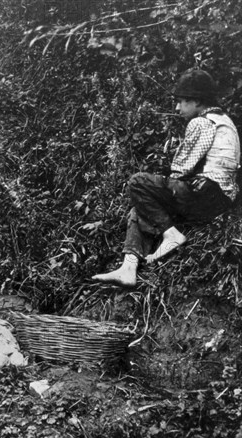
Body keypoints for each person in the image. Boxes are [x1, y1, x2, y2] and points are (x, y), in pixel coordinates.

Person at [92, 69, 240, 287]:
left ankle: (171, 235)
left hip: (205, 194)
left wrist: (163, 182)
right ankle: (128, 267)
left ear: (197, 101)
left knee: (138, 182)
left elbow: (181, 168)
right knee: (140, 207)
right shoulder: (224, 121)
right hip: (220, 200)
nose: (177, 108)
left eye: (182, 102)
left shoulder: (201, 123)